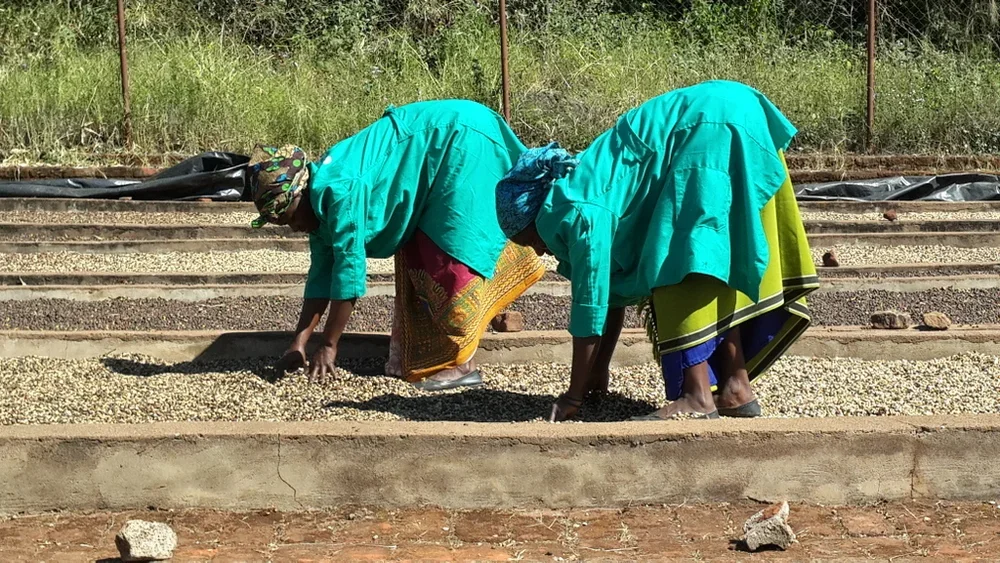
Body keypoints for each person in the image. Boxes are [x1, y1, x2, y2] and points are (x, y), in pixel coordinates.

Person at [495, 80, 820, 421]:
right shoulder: (582, 183)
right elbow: (609, 298)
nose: (541, 251)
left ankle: (697, 397)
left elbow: (591, 305)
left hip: (709, 130)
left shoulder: (573, 210)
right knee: (712, 261)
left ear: (532, 215)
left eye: (529, 240)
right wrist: (595, 374)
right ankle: (734, 388)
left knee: (677, 259)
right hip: (732, 111)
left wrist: (573, 397)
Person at [249, 100, 545, 390]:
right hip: (439, 145)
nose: (294, 228)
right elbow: (322, 274)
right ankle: (434, 356)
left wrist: (328, 345)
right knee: (417, 254)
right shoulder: (317, 203)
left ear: (299, 193)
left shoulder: (339, 192)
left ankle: (459, 364)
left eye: (289, 218)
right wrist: (298, 344)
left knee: (450, 254)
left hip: (458, 141)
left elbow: (349, 276)